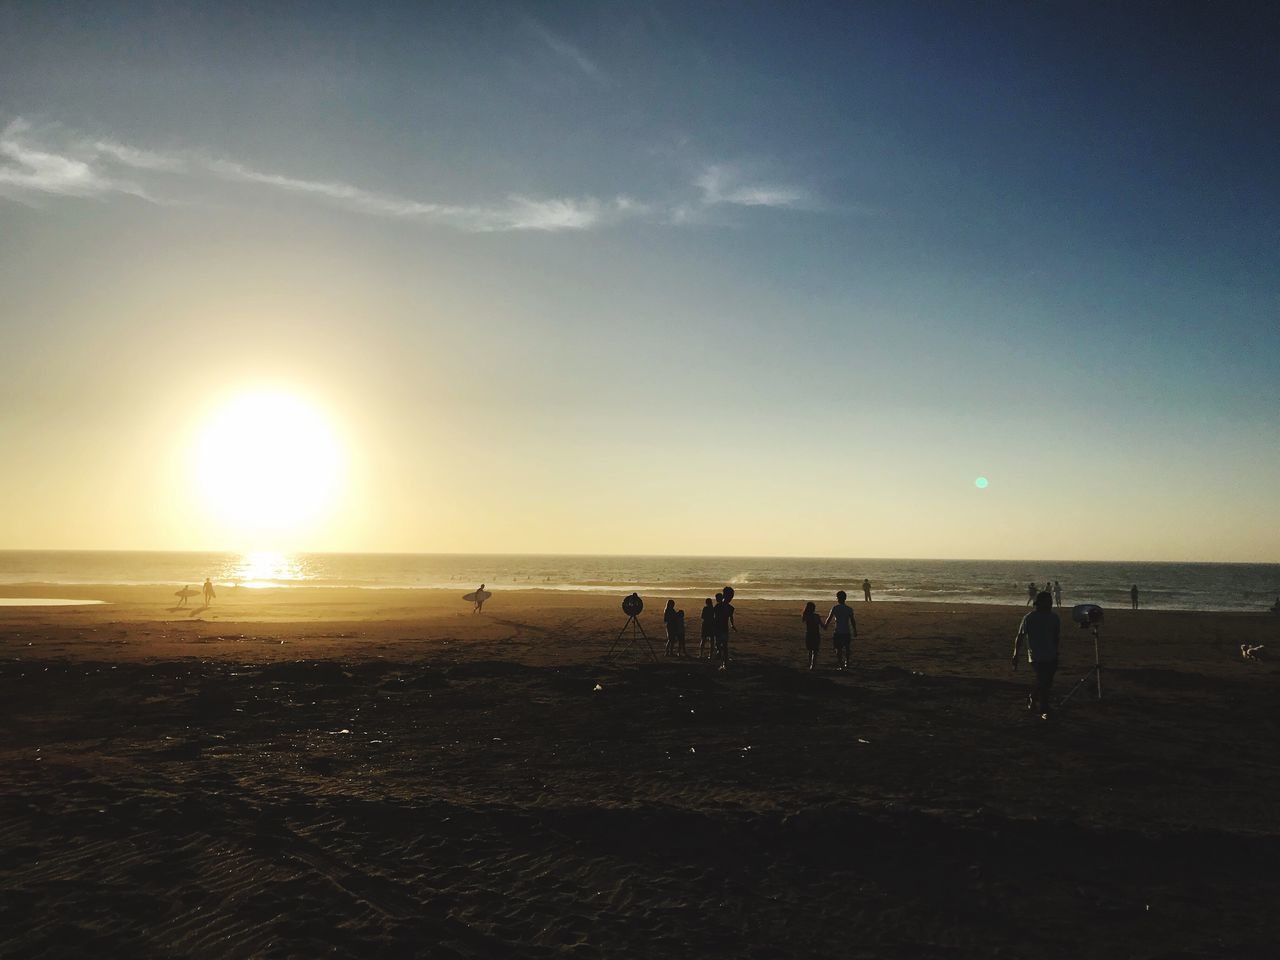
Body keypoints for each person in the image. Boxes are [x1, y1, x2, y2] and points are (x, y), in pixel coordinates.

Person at [1012, 591, 1061, 720]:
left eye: (1050, 602)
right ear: (1039, 603)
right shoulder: (1029, 618)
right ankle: (1044, 710)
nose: (1050, 604)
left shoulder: (1054, 618)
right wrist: (1016, 653)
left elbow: (1056, 637)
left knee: (1045, 682)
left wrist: (1056, 652)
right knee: (1043, 681)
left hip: (1051, 655)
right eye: (1047, 602)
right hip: (1036, 656)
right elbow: (1020, 636)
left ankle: (1033, 697)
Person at [824, 590, 857, 670]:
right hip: (846, 631)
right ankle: (847, 663)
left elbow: (829, 619)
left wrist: (825, 626)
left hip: (838, 631)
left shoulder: (835, 608)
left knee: (838, 648)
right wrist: (855, 630)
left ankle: (841, 664)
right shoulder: (849, 609)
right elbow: (852, 620)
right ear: (845, 598)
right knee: (847, 648)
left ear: (838, 598)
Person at [713, 586, 736, 671]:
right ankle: (722, 659)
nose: (730, 599)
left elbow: (731, 617)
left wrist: (732, 625)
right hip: (718, 628)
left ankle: (724, 664)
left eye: (731, 597)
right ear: (724, 596)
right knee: (720, 646)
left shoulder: (730, 608)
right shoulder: (718, 606)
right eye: (729, 597)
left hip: (723, 628)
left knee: (724, 646)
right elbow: (714, 617)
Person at [801, 601, 824, 671]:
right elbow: (822, 625)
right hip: (816, 634)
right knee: (815, 651)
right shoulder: (816, 616)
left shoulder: (806, 616)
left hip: (809, 634)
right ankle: (813, 665)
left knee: (810, 650)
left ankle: (810, 663)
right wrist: (826, 625)